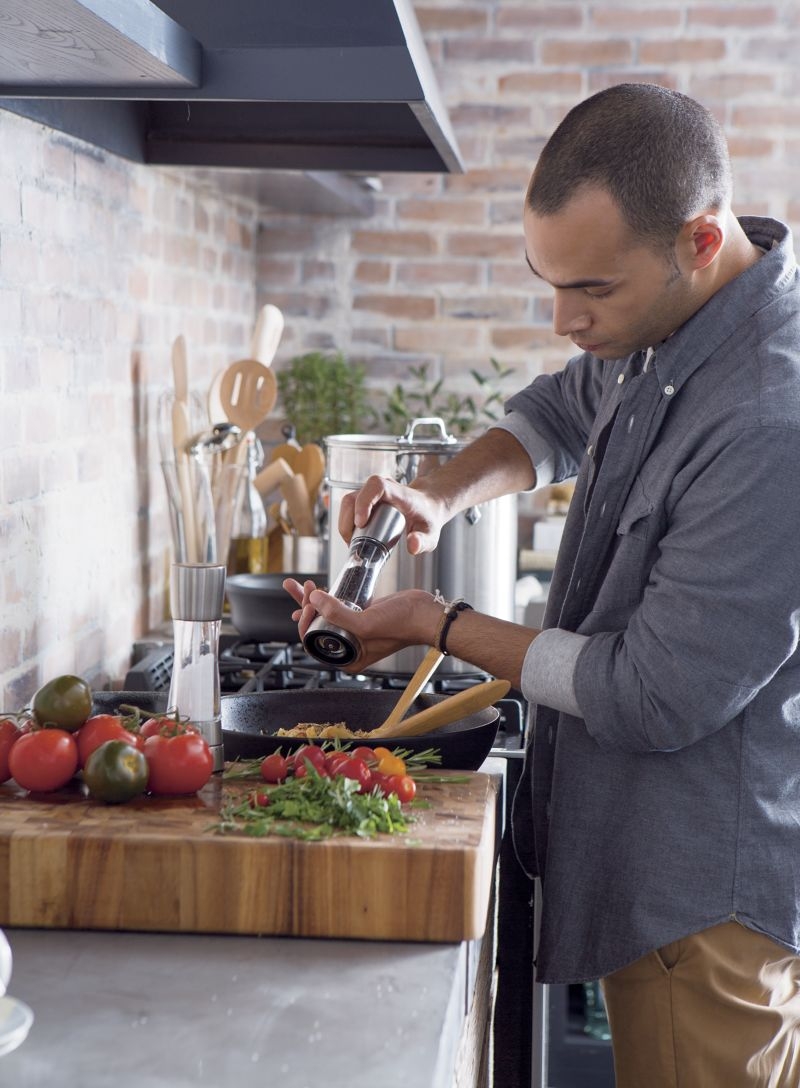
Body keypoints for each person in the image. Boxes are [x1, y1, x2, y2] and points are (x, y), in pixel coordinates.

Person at [284, 83, 800, 1086]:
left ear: (698, 239)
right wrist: (435, 494)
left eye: (590, 291)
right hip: (645, 867)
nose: (563, 318)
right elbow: (558, 408)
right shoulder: (667, 324)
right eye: (547, 282)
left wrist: (438, 621)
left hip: (701, 905)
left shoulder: (767, 421)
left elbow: (652, 693)